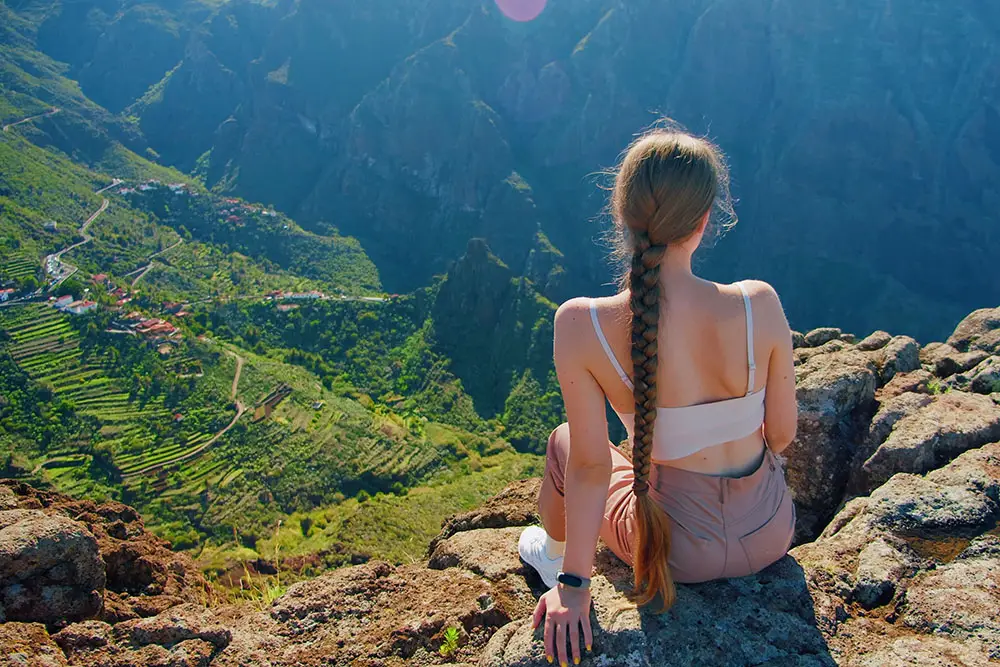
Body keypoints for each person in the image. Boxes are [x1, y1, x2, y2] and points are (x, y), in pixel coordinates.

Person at [518, 125, 798, 667]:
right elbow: (781, 436)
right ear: (703, 221)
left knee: (566, 441)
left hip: (674, 552)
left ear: (623, 217)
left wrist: (576, 587)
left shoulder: (582, 325)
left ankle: (551, 558)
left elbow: (592, 466)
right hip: (769, 532)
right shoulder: (758, 304)